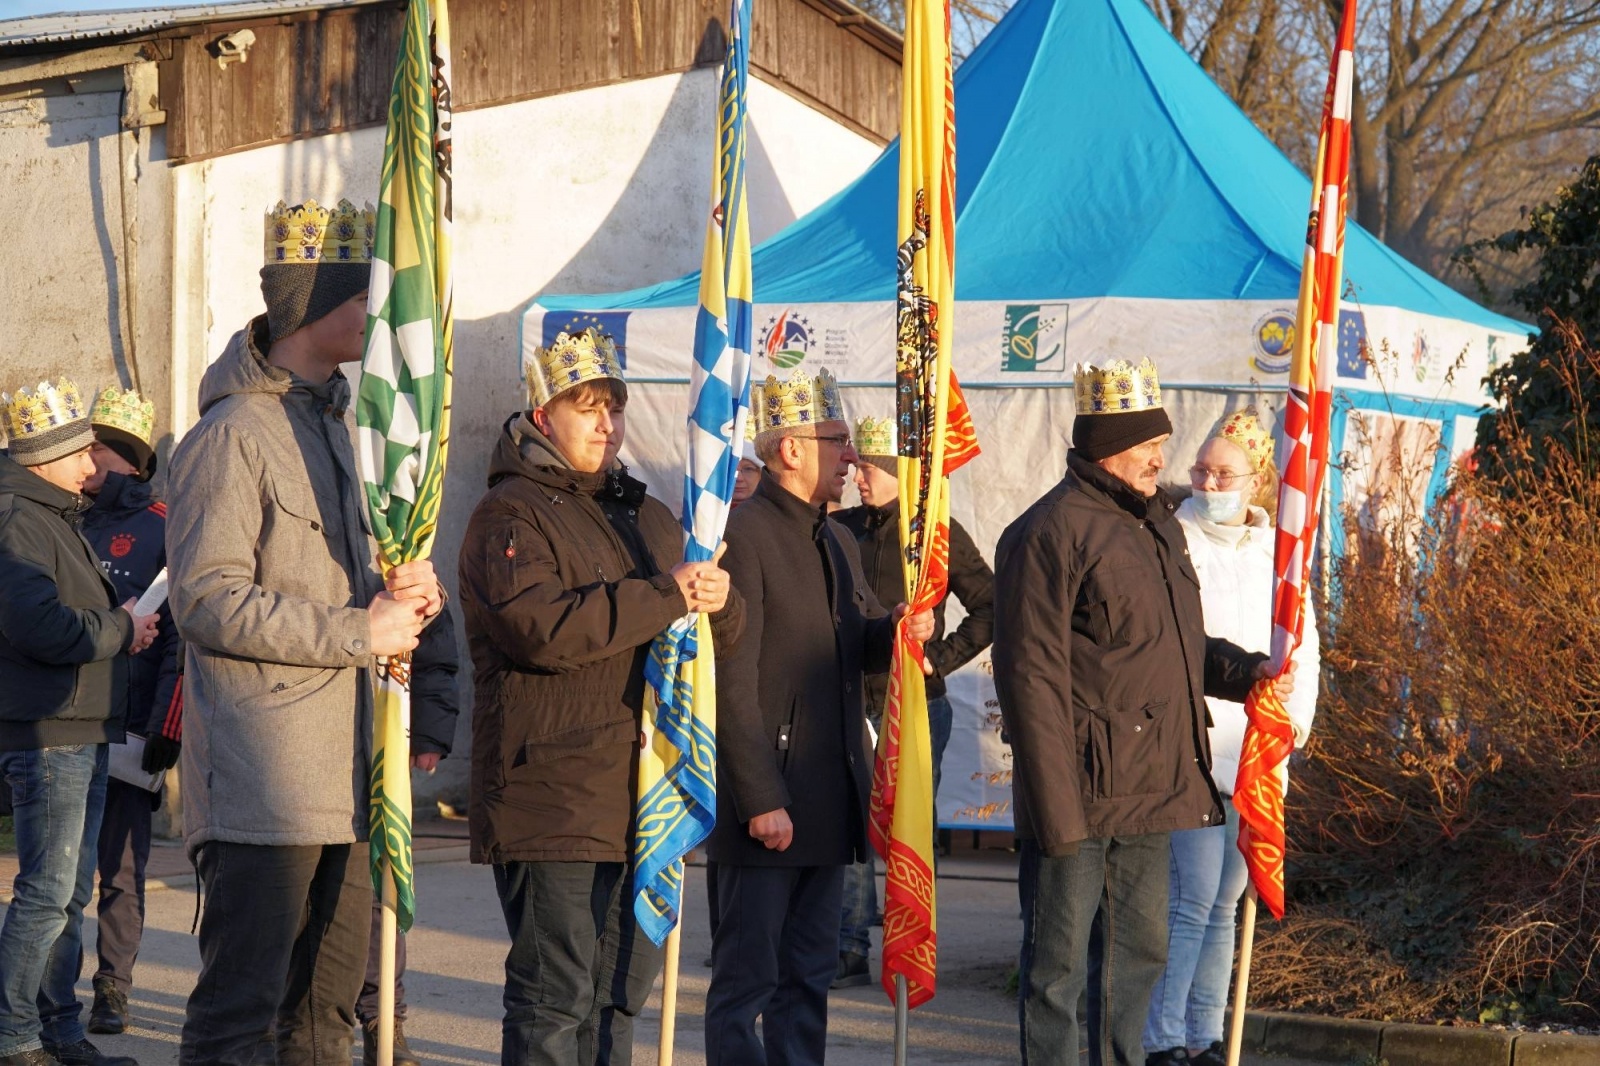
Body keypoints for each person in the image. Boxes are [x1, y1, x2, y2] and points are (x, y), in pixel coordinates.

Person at [166, 199, 442, 1065]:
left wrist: (407, 592)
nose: (380, 317)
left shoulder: (343, 429)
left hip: (350, 778)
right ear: (308, 307)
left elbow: (356, 597)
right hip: (264, 784)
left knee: (326, 1018)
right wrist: (361, 629)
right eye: (364, 298)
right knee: (241, 1017)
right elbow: (206, 601)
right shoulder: (232, 435)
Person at [992, 358, 1293, 1066]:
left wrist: (1248, 673)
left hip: (1153, 789)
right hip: (1079, 797)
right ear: (1108, 447)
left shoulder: (1156, 525)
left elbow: (1178, 647)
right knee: (1058, 972)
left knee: (1140, 959)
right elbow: (1029, 679)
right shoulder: (1048, 533)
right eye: (1150, 444)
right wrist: (1057, 814)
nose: (1164, 457)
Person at [458, 326, 741, 1066]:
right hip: (550, 794)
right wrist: (663, 594)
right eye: (587, 409)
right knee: (555, 1002)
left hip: (641, 793)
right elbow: (540, 629)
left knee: (619, 1001)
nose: (607, 426)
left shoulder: (645, 514)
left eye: (613, 408)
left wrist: (720, 598)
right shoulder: (509, 514)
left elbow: (705, 634)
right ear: (544, 415)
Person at [703, 369, 934, 1066]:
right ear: (789, 450)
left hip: (829, 797)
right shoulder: (743, 536)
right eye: (835, 440)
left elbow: (854, 641)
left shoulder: (833, 539)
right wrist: (760, 796)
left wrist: (895, 630)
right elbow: (730, 681)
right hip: (767, 805)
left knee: (810, 978)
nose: (850, 457)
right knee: (748, 983)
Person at [1142, 410, 1319, 1066]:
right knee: (1189, 899)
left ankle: (1205, 1034)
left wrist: (1291, 723)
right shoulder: (1171, 537)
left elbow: (1306, 647)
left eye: (1222, 473)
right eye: (1200, 470)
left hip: (1255, 752)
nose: (1208, 482)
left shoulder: (1280, 550)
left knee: (1224, 902)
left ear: (1258, 481)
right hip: (1190, 749)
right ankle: (1160, 1038)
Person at [0, 378, 156, 1066]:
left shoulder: (50, 512)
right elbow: (42, 626)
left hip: (80, 724)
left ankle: (58, 1030)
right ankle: (14, 1037)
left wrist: (120, 631)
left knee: (66, 896)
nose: (94, 465)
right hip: (50, 731)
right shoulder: (18, 518)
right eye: (80, 453)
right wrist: (123, 627)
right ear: (43, 459)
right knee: (46, 893)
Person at [829, 413, 995, 988]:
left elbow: (991, 604)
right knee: (848, 819)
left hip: (918, 702)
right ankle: (847, 944)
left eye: (873, 468)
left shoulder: (935, 533)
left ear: (903, 471)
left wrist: (939, 657)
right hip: (851, 697)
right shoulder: (838, 529)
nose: (860, 478)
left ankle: (908, 947)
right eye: (858, 467)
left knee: (910, 824)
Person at [77, 387, 183, 1037]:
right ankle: (44, 988)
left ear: (123, 457)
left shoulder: (164, 531)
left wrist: (167, 725)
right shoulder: (62, 521)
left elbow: (179, 636)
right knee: (59, 869)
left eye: (93, 447)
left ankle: (113, 986)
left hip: (131, 727)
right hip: (63, 724)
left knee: (119, 869)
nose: (82, 459)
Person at [356, 601, 462, 1066]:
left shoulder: (400, 538)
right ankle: (291, 1015)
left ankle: (383, 1018)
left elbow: (435, 647)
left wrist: (430, 733)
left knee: (383, 883)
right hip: (306, 732)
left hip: (385, 733)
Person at [705, 416, 764, 963]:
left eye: (749, 467)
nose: (740, 477)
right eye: (733, 467)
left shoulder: (825, 529)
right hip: (727, 711)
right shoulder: (712, 532)